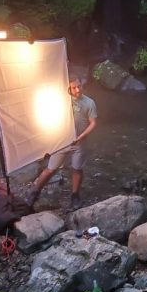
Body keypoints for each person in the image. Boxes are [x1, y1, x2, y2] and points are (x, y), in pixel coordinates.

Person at [27, 75, 98, 210]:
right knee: (51, 169)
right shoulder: (62, 101)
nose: (78, 90)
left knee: (77, 169)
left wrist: (82, 136)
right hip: (62, 141)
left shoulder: (89, 103)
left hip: (79, 142)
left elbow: (93, 123)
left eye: (79, 86)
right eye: (74, 87)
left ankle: (75, 196)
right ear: (68, 89)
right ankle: (34, 192)